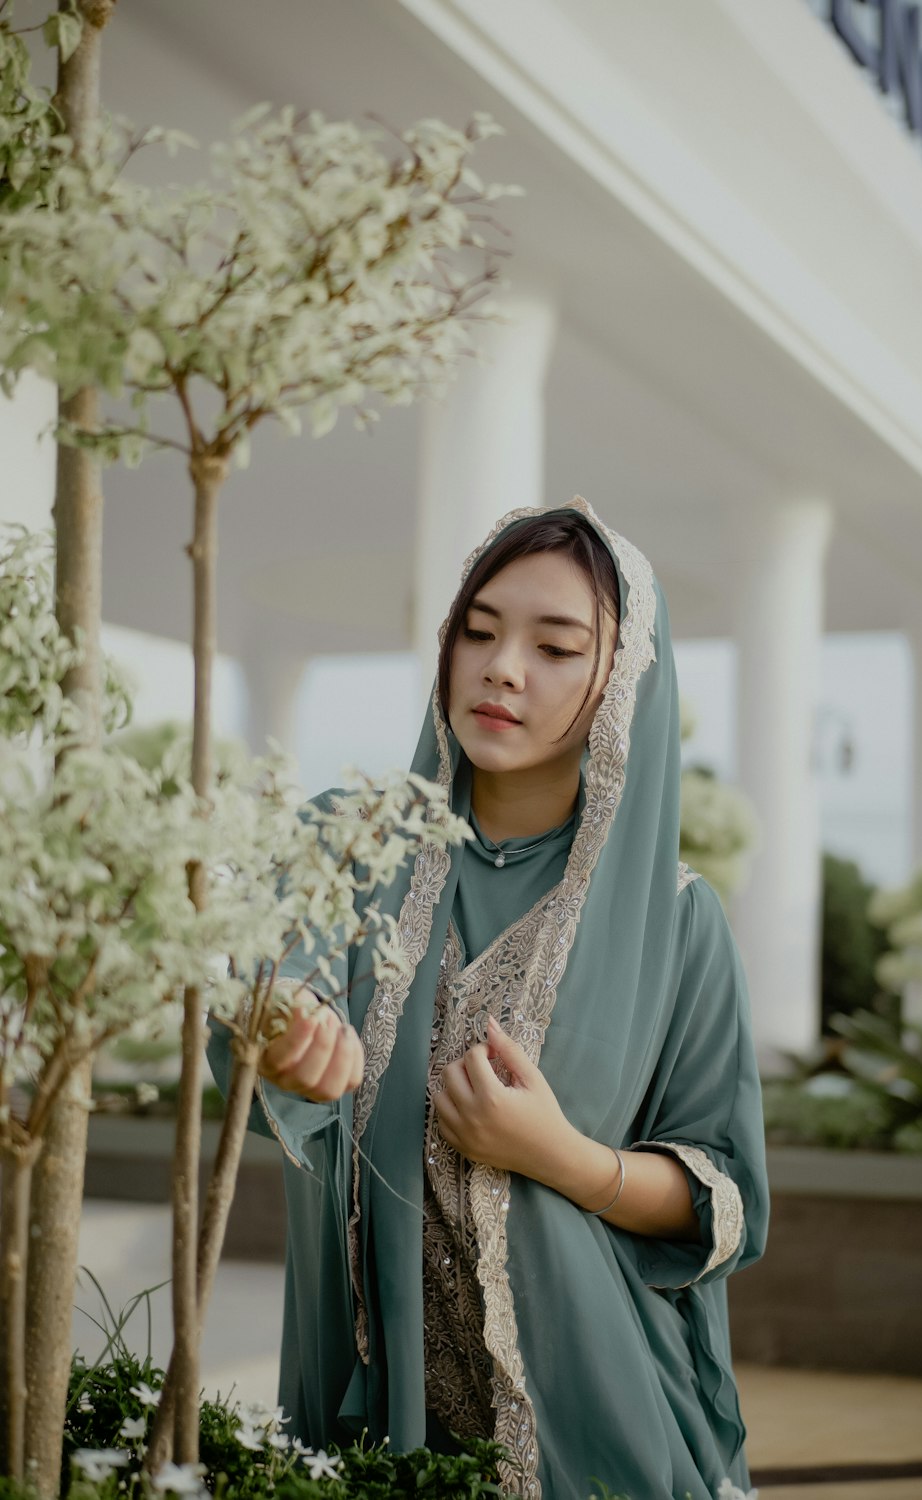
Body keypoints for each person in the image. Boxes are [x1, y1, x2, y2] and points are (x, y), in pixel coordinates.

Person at [207, 496, 769, 1500]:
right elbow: (263, 978)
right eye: (477, 630)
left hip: (591, 1424)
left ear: (624, 681)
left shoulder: (678, 921)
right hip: (364, 1412)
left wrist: (559, 1156)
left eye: (556, 647)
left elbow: (721, 1200)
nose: (502, 666)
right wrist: (277, 1030)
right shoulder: (347, 844)